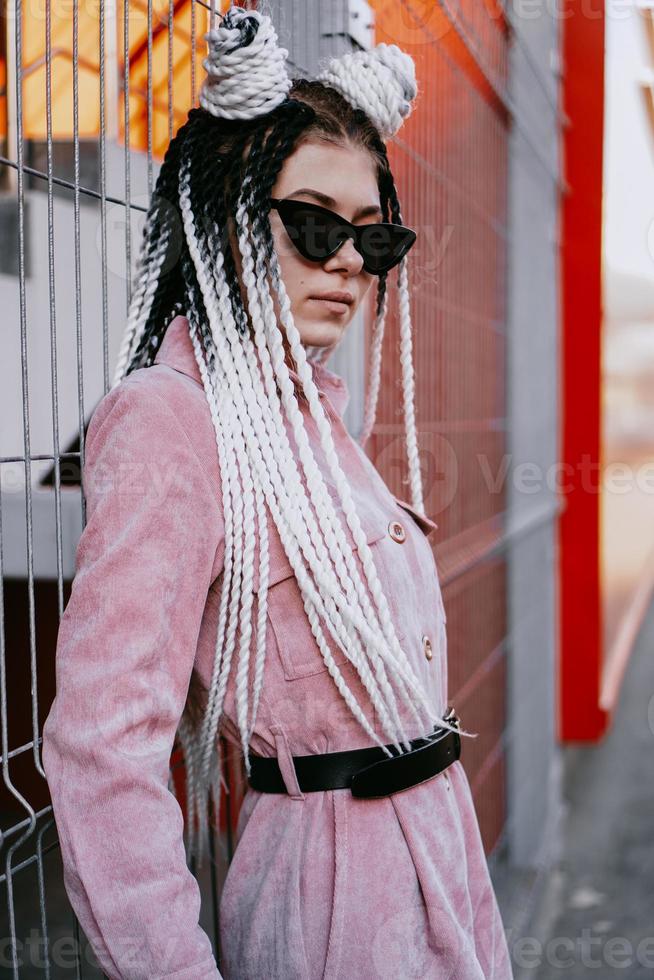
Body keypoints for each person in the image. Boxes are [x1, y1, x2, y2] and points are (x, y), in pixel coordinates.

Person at [42, 5, 514, 978]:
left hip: (439, 863)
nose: (349, 262)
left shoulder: (314, 414)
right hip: (330, 901)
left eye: (374, 242)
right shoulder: (171, 419)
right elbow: (103, 747)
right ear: (226, 220)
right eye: (312, 226)